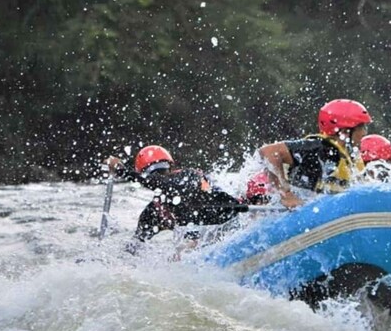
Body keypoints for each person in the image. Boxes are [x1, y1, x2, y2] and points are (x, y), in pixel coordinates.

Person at [105, 145, 241, 242]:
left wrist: (121, 170)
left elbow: (165, 183)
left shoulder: (188, 176)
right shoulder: (153, 212)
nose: (161, 175)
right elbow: (135, 246)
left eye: (162, 170)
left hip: (228, 219)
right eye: (155, 171)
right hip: (200, 241)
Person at [257, 99, 372, 209]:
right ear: (345, 131)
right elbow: (269, 151)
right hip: (297, 215)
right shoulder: (318, 148)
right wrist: (285, 194)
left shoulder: (350, 154)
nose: (364, 133)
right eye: (361, 127)